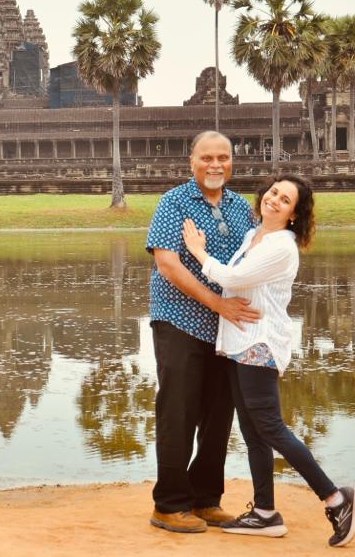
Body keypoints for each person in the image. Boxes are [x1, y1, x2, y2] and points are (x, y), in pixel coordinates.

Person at [180, 174, 355, 547]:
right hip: (238, 342)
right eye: (274, 192)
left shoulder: (282, 245)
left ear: (295, 214)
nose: (275, 200)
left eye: (286, 200)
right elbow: (234, 284)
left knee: (270, 428)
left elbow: (235, 277)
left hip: (259, 344)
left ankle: (335, 498)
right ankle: (265, 512)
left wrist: (198, 251)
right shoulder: (254, 236)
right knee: (253, 433)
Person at [145, 131, 258, 534]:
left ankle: (205, 498)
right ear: (191, 160)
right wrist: (217, 303)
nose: (215, 165)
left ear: (232, 161)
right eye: (207, 157)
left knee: (218, 413)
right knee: (178, 411)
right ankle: (169, 504)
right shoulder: (174, 202)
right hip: (178, 319)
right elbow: (168, 265)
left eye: (223, 158)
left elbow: (256, 259)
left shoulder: (241, 207)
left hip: (227, 329)